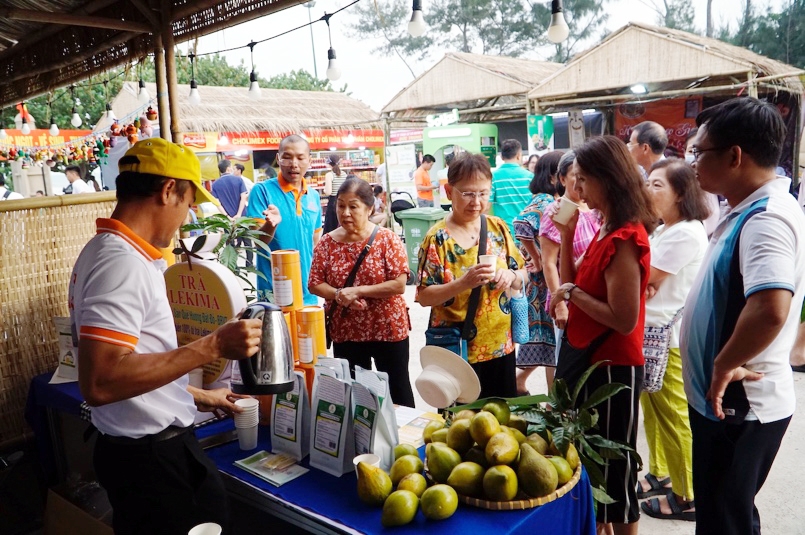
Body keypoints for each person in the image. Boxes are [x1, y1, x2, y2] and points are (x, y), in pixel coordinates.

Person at [69, 138, 263, 534]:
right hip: (151, 460)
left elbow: (131, 363)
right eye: (189, 203)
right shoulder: (121, 264)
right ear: (168, 189)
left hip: (137, 453)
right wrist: (214, 345)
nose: (188, 216)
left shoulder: (105, 251)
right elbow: (102, 381)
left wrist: (201, 395)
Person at [682, 97, 804, 535]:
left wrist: (723, 362)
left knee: (726, 520)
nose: (692, 163)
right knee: (723, 512)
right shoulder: (748, 209)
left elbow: (771, 307)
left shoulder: (766, 219)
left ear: (735, 156)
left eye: (699, 152)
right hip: (724, 400)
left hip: (740, 403)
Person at [550, 135, 656, 534]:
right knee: (593, 464)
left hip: (613, 369)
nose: (577, 190)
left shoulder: (625, 237)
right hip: (591, 362)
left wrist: (573, 294)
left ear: (606, 179)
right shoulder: (603, 228)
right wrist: (565, 233)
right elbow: (568, 281)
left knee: (616, 471)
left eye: (583, 180)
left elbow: (624, 319)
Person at [416, 153, 527, 399]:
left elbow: (523, 273)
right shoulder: (437, 239)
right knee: (459, 429)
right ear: (448, 191)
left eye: (483, 193)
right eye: (467, 193)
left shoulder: (498, 227)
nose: (476, 202)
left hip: (501, 346)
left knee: (502, 424)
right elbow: (424, 296)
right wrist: (463, 283)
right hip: (457, 352)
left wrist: (510, 276)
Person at [637, 158, 710, 522]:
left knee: (675, 417)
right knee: (654, 412)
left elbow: (641, 276)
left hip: (669, 341)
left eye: (657, 185)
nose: (648, 190)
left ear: (680, 193)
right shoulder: (666, 228)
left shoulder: (685, 232)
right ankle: (661, 472)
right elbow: (645, 281)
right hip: (653, 336)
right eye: (648, 182)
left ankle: (687, 495)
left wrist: (643, 280)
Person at [309, 178, 414, 406]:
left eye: (353, 206)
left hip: (388, 329)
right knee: (356, 394)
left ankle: (407, 437)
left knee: (398, 389)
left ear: (369, 208)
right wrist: (339, 295)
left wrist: (356, 292)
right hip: (347, 332)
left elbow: (398, 284)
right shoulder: (326, 244)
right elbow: (315, 283)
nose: (345, 212)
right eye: (340, 205)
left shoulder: (387, 239)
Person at [540, 151, 601, 389]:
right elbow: (548, 263)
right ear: (562, 179)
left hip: (591, 298)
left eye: (585, 176)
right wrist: (561, 303)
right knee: (570, 365)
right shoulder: (559, 211)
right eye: (575, 176)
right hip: (569, 297)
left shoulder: (596, 209)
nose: (580, 182)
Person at [246, 134, 322, 306]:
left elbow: (314, 242)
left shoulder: (314, 196)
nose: (294, 164)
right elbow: (258, 242)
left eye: (300, 158)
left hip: (309, 293)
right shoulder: (262, 191)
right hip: (275, 292)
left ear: (309, 160)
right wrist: (270, 225)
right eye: (287, 157)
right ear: (278, 158)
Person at [511, 150, 564, 396]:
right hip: (546, 282)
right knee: (553, 344)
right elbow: (521, 225)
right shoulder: (546, 201)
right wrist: (537, 257)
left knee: (547, 342)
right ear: (555, 175)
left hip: (545, 280)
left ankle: (518, 382)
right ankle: (554, 405)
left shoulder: (551, 199)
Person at [490, 139, 534, 237]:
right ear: (519, 155)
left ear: (501, 156)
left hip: (504, 232)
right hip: (527, 232)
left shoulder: (493, 177)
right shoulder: (529, 176)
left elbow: (486, 205)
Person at [684, 128, 721, 236]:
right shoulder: (676, 185)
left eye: (701, 152)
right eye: (691, 151)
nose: (696, 158)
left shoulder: (724, 190)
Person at [323, 154, 348, 234]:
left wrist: (324, 190)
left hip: (333, 202)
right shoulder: (344, 174)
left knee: (330, 226)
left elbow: (328, 192)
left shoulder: (329, 175)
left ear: (329, 163)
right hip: (343, 200)